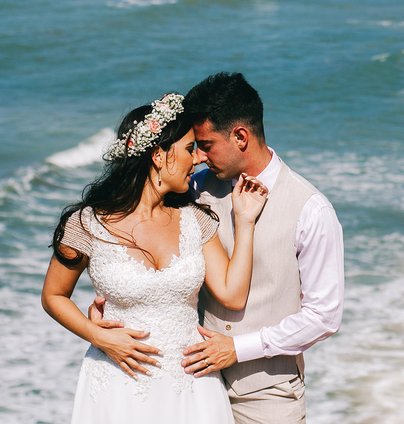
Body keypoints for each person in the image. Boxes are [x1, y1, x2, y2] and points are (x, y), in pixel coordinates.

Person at [41, 92, 268, 424]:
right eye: (190, 149)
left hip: (192, 386)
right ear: (159, 155)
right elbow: (53, 296)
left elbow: (232, 294)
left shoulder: (195, 219)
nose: (199, 159)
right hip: (117, 384)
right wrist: (98, 335)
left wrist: (245, 221)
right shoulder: (87, 224)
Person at [178, 72, 344, 424]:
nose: (199, 157)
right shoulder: (192, 189)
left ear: (241, 136)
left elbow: (324, 317)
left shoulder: (311, 209)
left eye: (206, 145)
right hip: (192, 385)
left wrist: (237, 349)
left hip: (268, 398)